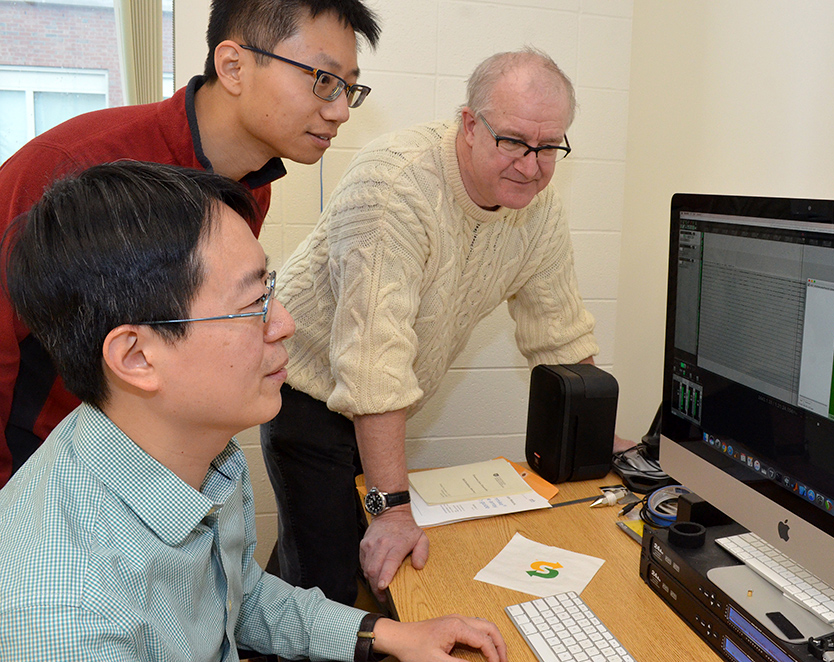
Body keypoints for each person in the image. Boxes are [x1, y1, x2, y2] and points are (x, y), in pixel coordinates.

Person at [0, 161, 507, 662]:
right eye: (252, 304)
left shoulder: (198, 446)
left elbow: (238, 598)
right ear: (136, 357)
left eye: (271, 289)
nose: (285, 323)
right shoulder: (68, 618)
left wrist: (386, 635)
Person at [264, 48, 627, 606]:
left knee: (316, 563)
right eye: (511, 141)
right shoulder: (396, 184)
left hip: (377, 407)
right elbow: (372, 360)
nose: (530, 165)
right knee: (331, 586)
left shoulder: (538, 205)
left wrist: (604, 442)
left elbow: (560, 334)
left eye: (548, 147)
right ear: (468, 124)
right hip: (306, 393)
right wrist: (393, 510)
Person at [0, 0, 380, 488]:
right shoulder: (76, 163)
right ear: (233, 66)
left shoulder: (250, 184)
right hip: (42, 455)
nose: (341, 110)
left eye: (348, 87)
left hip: (148, 453)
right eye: (323, 80)